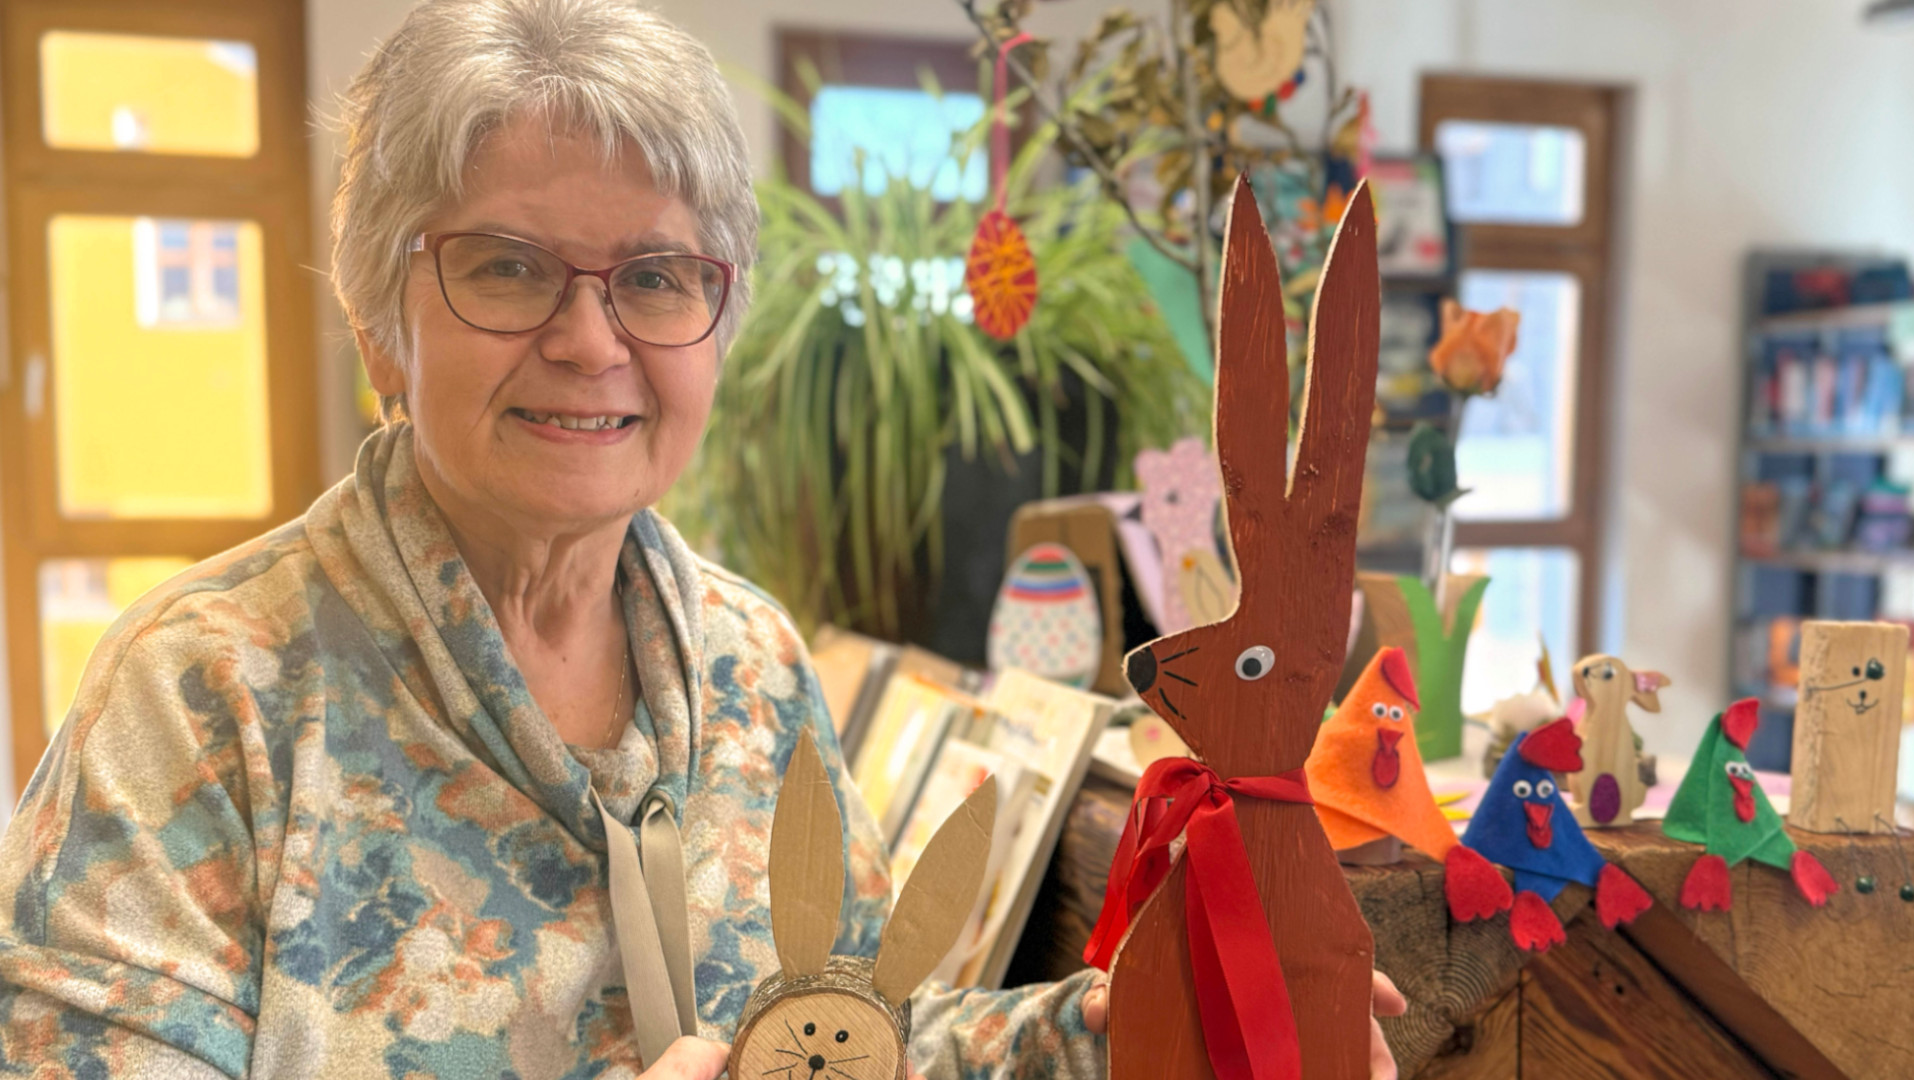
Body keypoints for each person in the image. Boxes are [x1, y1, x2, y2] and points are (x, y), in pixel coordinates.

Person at [0, 0, 1403, 1076]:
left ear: (717, 324)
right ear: (379, 315)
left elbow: (861, 1035)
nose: (589, 340)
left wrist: (1139, 1019)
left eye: (658, 277)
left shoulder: (746, 661)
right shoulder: (198, 696)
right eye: (507, 268)